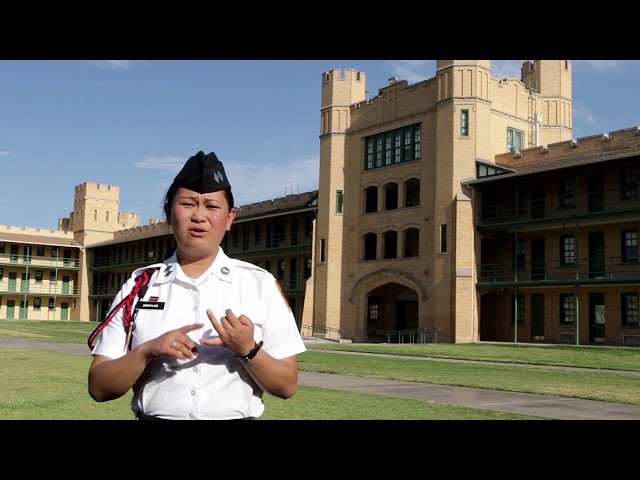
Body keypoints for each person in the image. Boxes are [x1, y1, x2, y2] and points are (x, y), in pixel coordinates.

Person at [87, 150, 307, 420]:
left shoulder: (259, 285)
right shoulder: (140, 285)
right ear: (168, 213)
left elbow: (287, 386)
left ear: (229, 218)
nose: (199, 216)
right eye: (188, 204)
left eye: (212, 206)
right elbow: (98, 387)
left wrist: (247, 349)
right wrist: (146, 351)